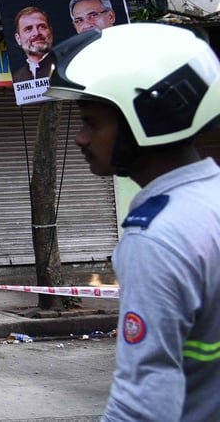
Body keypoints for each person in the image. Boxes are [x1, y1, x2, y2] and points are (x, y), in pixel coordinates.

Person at [46, 23, 220, 422]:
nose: (80, 139)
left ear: (149, 119)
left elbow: (142, 402)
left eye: (92, 122)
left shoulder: (157, 236)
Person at [11, 6, 55, 82]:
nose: (36, 33)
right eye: (28, 29)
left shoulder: (68, 66)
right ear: (18, 39)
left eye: (42, 27)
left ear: (50, 32)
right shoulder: (17, 79)